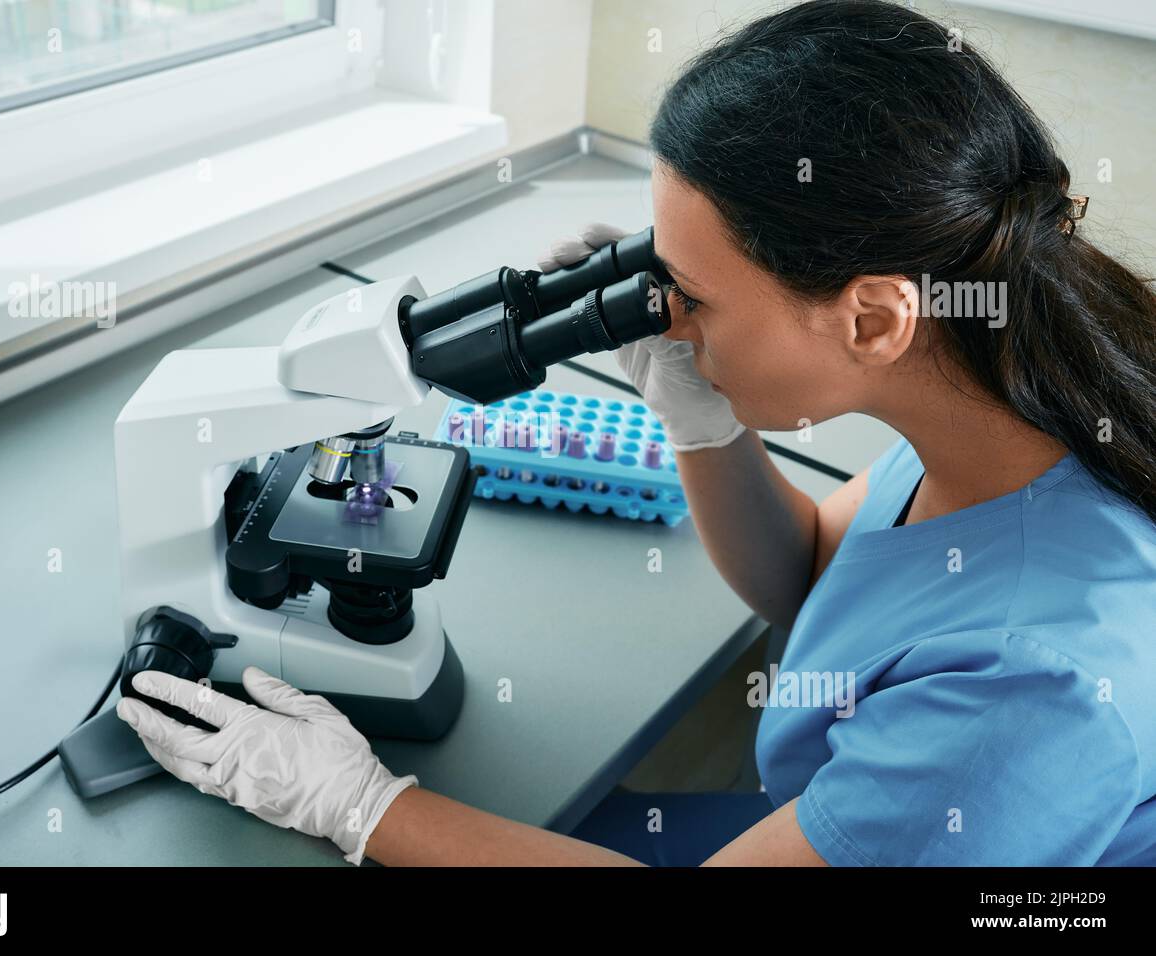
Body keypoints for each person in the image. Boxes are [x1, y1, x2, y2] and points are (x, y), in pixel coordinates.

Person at [115, 0, 1156, 865]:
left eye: (691, 294)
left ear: (873, 318)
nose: (664, 313)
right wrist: (697, 412)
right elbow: (809, 570)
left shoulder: (1029, 689)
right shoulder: (1004, 398)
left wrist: (358, 806)